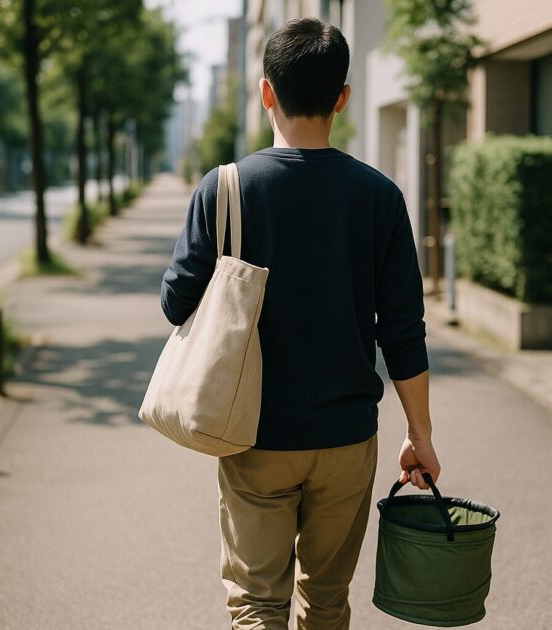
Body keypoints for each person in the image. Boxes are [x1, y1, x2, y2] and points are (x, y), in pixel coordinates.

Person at [159, 16, 440, 630]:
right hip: (346, 437)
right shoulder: (379, 197)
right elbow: (403, 330)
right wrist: (419, 434)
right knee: (328, 598)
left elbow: (176, 304)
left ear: (266, 92)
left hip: (253, 431)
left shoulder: (225, 189)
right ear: (342, 97)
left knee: (257, 602)